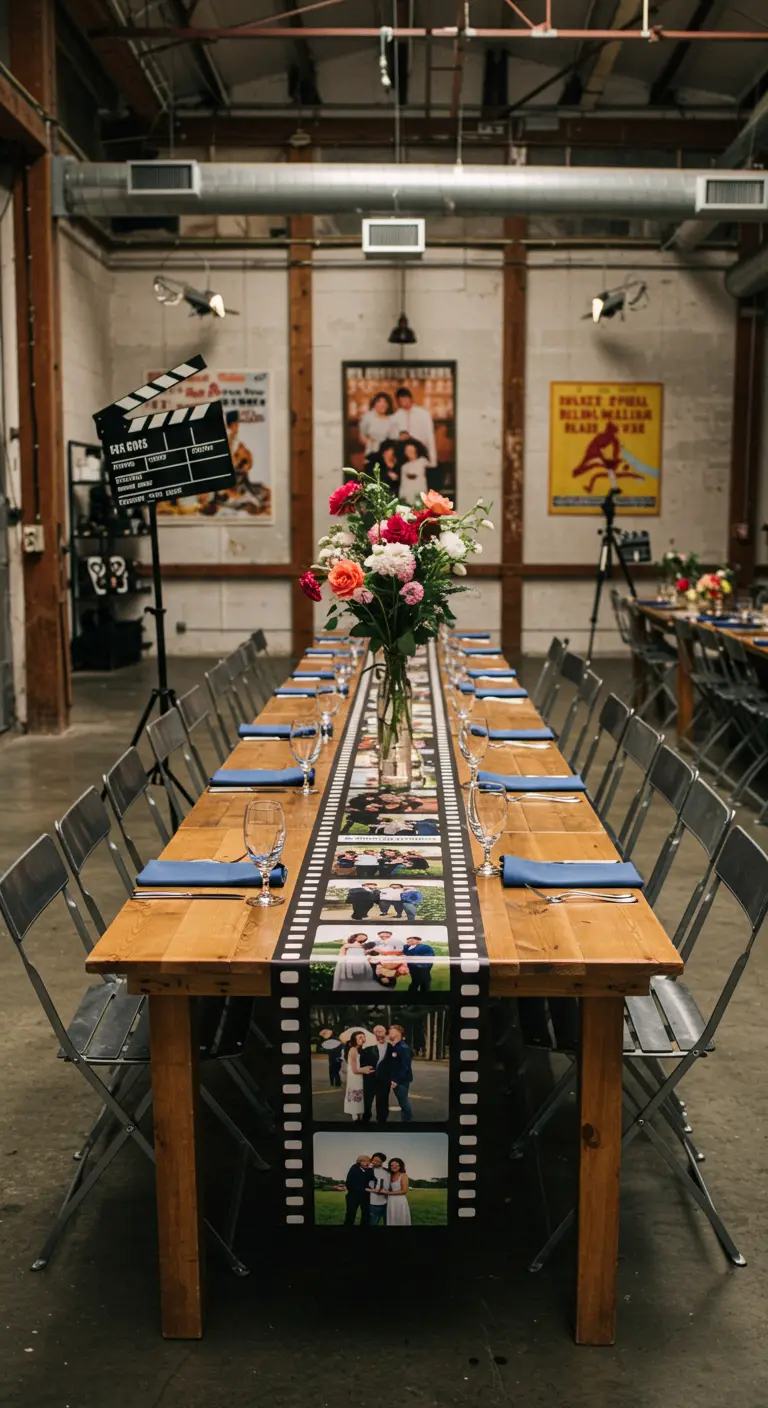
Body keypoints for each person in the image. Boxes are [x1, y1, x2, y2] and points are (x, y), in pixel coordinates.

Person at [393, 386, 437, 466]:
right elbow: (394, 436)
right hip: (404, 455)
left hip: (421, 452)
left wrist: (432, 460)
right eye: (400, 400)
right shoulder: (396, 416)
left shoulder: (423, 414)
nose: (403, 401)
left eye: (405, 398)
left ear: (411, 398)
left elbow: (430, 437)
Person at [360, 1024, 393, 1124]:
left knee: (382, 1102)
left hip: (384, 1080)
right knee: (367, 1101)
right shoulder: (368, 1048)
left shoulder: (392, 1047)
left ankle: (382, 1120)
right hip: (369, 1079)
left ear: (385, 1032)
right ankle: (366, 1118)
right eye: (377, 1032)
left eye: (381, 1031)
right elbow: (362, 1062)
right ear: (374, 1034)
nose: (379, 1034)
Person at [359, 392, 397, 458]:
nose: (383, 404)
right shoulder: (367, 417)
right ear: (374, 404)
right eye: (379, 402)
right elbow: (362, 435)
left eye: (385, 402)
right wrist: (369, 442)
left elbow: (394, 439)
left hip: (386, 455)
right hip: (371, 453)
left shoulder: (391, 420)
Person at [388, 1024, 413, 1122]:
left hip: (401, 1081)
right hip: (400, 1080)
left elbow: (404, 1067)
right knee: (403, 1102)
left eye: (391, 1031)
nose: (389, 1033)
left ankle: (407, 1121)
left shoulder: (402, 1048)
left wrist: (395, 1080)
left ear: (397, 1033)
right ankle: (405, 1119)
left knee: (404, 1103)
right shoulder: (397, 1046)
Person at [398, 436, 430, 505]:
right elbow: (403, 484)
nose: (410, 453)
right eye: (408, 451)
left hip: (420, 496)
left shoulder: (423, 462)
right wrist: (401, 498)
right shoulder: (404, 467)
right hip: (408, 497)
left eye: (411, 451)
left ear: (416, 450)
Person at [343, 1154, 374, 1226]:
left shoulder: (370, 1170)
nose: (368, 1163)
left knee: (366, 1215)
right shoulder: (354, 1168)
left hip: (365, 1197)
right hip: (353, 1196)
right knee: (350, 1215)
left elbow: (373, 1180)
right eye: (365, 1161)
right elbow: (350, 1184)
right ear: (359, 1162)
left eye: (369, 1162)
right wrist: (364, 1189)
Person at [343, 1030, 367, 1121]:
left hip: (357, 1075)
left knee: (358, 1093)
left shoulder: (358, 1049)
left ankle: (357, 1112)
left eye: (363, 1037)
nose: (363, 1039)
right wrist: (365, 1070)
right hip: (355, 1076)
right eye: (360, 1037)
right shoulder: (353, 1049)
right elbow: (355, 1069)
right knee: (355, 1092)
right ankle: (354, 1114)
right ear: (354, 1039)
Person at [385, 1157, 412, 1226]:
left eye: (396, 1165)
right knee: (392, 1218)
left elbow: (404, 1190)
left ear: (400, 1166)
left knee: (400, 1219)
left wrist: (388, 1193)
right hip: (391, 1201)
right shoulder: (390, 1176)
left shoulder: (403, 1175)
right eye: (392, 1165)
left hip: (400, 1201)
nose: (394, 1167)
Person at [367, 1152, 390, 1226]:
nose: (375, 1162)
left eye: (378, 1161)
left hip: (387, 1203)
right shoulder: (368, 1170)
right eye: (374, 1160)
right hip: (373, 1203)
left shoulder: (387, 1172)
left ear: (382, 1162)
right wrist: (373, 1190)